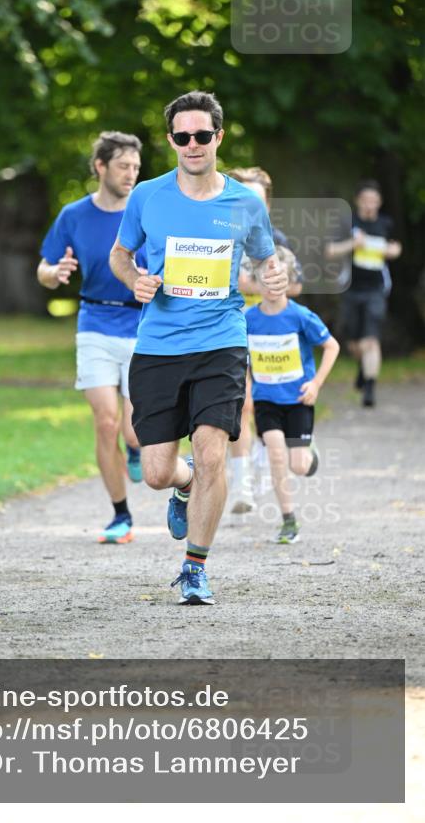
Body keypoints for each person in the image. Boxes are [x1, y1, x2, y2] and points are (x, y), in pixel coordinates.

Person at [109, 90, 288, 605]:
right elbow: (120, 255)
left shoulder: (245, 203)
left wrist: (272, 276)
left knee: (213, 453)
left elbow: (265, 261)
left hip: (221, 342)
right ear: (171, 140)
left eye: (202, 135)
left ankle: (195, 568)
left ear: (218, 137)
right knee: (156, 473)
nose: (193, 144)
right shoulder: (148, 196)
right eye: (182, 136)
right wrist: (136, 281)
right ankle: (182, 485)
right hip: (159, 346)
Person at [37, 131, 145, 544]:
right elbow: (44, 269)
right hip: (95, 324)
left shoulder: (145, 212)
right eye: (123, 166)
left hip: (140, 327)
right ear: (100, 167)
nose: (131, 174)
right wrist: (55, 272)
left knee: (133, 431)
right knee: (105, 421)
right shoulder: (74, 215)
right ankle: (121, 515)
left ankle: (135, 448)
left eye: (136, 167)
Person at [245, 246, 340, 543]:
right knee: (276, 453)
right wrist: (246, 389)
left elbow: (332, 346)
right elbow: (242, 359)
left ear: (289, 281)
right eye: (266, 280)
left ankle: (310, 455)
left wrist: (316, 384)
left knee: (298, 465)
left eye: (279, 280)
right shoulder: (248, 319)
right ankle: (289, 521)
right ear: (255, 282)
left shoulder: (300, 316)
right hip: (266, 400)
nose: (272, 286)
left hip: (299, 399)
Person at [225, 167, 303, 515]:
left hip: (270, 335)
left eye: (256, 200)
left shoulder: (278, 239)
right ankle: (242, 484)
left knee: (264, 403)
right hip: (230, 328)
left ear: (267, 204)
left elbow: (297, 285)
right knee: (241, 403)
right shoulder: (221, 235)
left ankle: (260, 454)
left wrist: (262, 285)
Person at [326, 180, 402, 406]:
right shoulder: (347, 222)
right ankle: (363, 366)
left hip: (376, 289)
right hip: (350, 289)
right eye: (366, 200)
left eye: (374, 201)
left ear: (379, 202)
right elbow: (330, 250)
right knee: (354, 343)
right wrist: (352, 244)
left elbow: (396, 248)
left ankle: (369, 389)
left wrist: (392, 251)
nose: (370, 205)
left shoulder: (386, 223)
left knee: (371, 339)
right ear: (358, 201)